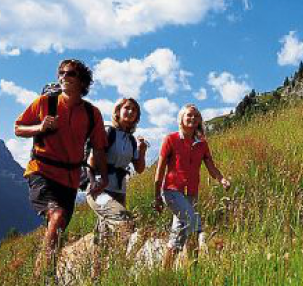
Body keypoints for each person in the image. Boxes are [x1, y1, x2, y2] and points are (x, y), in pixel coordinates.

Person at [14, 59, 108, 275]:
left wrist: (104, 177)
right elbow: (18, 128)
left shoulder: (92, 114)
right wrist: (40, 126)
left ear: (82, 81)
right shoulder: (45, 102)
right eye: (61, 73)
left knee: (59, 228)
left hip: (70, 179)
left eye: (70, 74)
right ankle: (45, 280)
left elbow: (99, 148)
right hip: (41, 170)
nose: (64, 77)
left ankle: (40, 273)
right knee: (56, 217)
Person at [154, 104, 230, 269]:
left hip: (192, 194)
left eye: (196, 116)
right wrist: (157, 196)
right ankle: (194, 269)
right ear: (181, 118)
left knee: (178, 236)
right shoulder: (170, 139)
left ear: (199, 121)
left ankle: (166, 271)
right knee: (195, 224)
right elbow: (160, 168)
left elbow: (211, 166)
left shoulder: (201, 144)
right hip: (172, 191)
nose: (192, 118)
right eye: (189, 115)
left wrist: (221, 179)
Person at [86, 98, 148, 255]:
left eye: (134, 110)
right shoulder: (108, 132)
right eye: (127, 108)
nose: (130, 112)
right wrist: (93, 183)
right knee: (125, 221)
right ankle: (118, 263)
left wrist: (141, 150)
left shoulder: (132, 141)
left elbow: (139, 169)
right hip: (100, 189)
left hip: (120, 191)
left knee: (104, 235)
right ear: (118, 111)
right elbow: (91, 160)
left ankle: (98, 274)